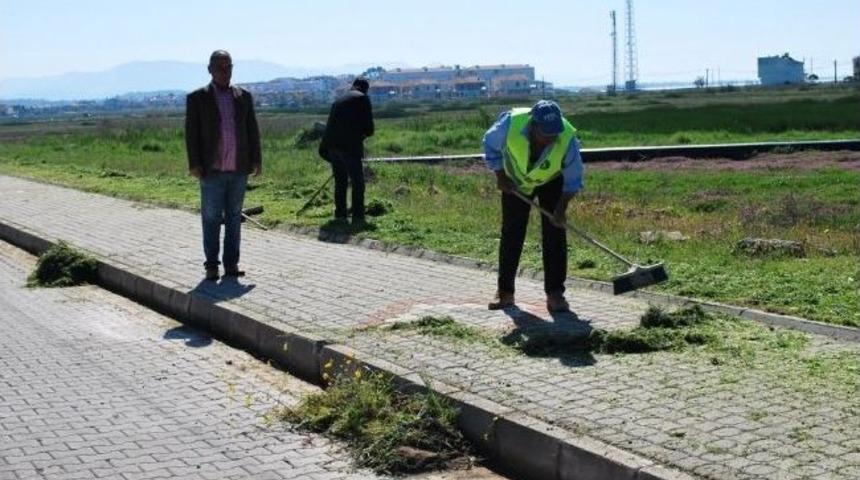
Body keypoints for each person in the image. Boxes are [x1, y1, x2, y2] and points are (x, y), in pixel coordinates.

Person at [482, 100, 584, 312]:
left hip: (551, 179)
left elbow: (574, 178)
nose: (551, 139)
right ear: (533, 125)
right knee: (512, 233)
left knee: (555, 233)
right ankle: (505, 292)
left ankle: (555, 293)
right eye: (545, 134)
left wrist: (561, 209)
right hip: (515, 181)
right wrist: (500, 175)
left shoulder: (567, 137)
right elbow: (489, 144)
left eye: (554, 134)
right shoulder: (510, 124)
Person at [185, 50, 262, 281]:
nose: (225, 71)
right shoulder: (198, 98)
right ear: (210, 70)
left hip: (238, 168)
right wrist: (194, 163)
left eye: (229, 67)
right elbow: (191, 134)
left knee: (234, 218)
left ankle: (231, 264)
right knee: (211, 218)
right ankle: (211, 265)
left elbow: (252, 130)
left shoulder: (243, 96)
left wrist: (256, 160)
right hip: (212, 171)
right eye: (220, 67)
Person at [318, 78, 375, 223]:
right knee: (357, 182)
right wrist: (362, 135)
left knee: (340, 182)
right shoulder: (363, 98)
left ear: (353, 86)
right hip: (349, 147)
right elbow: (369, 129)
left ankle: (340, 215)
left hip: (331, 146)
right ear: (365, 89)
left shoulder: (339, 100)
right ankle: (358, 216)